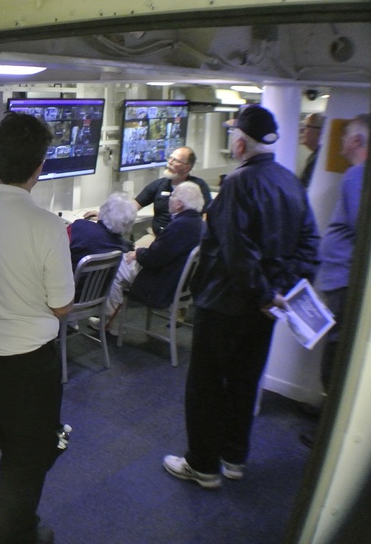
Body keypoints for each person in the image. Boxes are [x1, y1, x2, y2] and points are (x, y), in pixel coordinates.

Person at [162, 105, 319, 489]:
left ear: (239, 142)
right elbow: (310, 246)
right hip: (264, 312)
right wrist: (278, 292)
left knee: (206, 386)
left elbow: (237, 251)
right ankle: (234, 457)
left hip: (223, 306)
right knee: (245, 382)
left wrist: (265, 292)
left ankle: (202, 465)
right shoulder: (291, 182)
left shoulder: (236, 183)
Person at [0, 111, 75, 544]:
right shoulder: (47, 226)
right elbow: (61, 306)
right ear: (40, 166)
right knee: (25, 461)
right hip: (30, 371)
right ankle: (15, 535)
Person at [101, 182, 205, 334]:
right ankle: (111, 320)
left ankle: (110, 323)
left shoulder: (179, 226)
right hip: (178, 284)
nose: (169, 199)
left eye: (173, 197)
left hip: (161, 285)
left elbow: (153, 259)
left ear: (179, 204)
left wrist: (139, 252)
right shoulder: (200, 225)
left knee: (116, 266)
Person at [315, 115, 368, 388]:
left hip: (344, 280)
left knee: (336, 344)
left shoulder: (357, 175)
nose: (341, 142)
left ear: (357, 140)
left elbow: (362, 227)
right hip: (343, 278)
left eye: (345, 136)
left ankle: (327, 420)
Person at [135, 146, 212, 235]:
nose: (170, 162)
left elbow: (208, 215)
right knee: (134, 248)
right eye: (170, 158)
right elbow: (134, 205)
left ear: (187, 167)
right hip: (160, 236)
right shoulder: (159, 185)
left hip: (187, 237)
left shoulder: (198, 186)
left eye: (176, 160)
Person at [67, 192, 136, 271]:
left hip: (67, 280)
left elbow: (56, 246)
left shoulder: (79, 227)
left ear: (104, 210)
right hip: (97, 283)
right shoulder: (122, 247)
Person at [299, 112, 325, 188]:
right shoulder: (314, 156)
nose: (302, 130)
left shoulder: (320, 159)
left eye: (307, 126)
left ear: (320, 132)